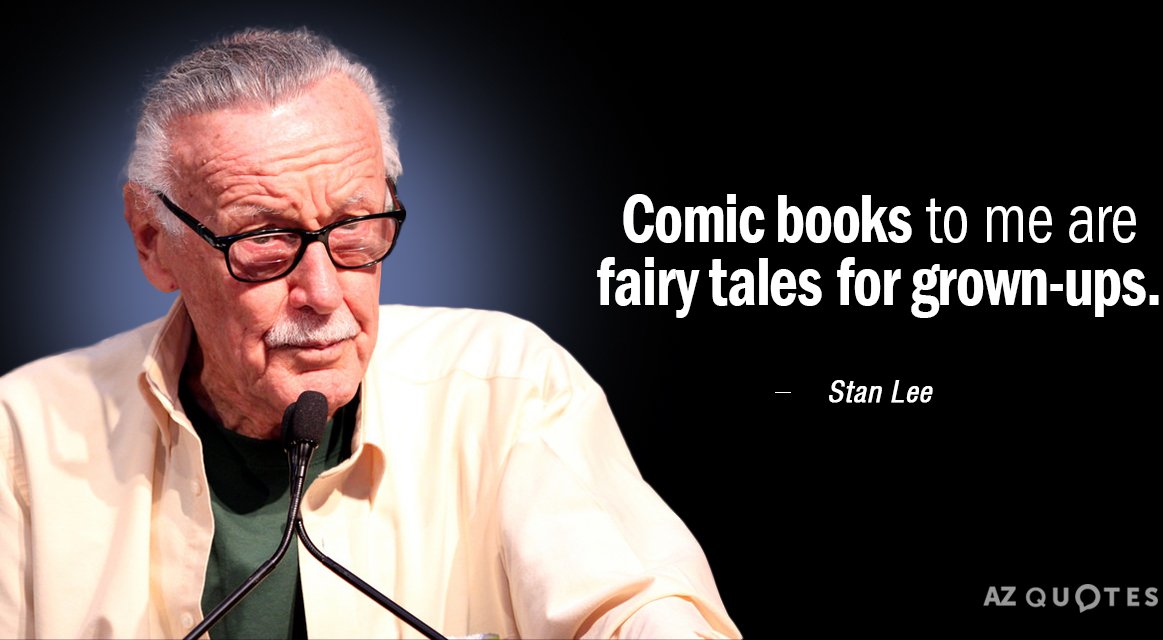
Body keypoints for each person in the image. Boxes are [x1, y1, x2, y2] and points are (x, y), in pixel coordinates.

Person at [0, 27, 738, 639]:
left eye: (355, 226)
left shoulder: (507, 388)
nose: (324, 294)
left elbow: (641, 609)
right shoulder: (22, 435)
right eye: (264, 239)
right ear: (152, 240)